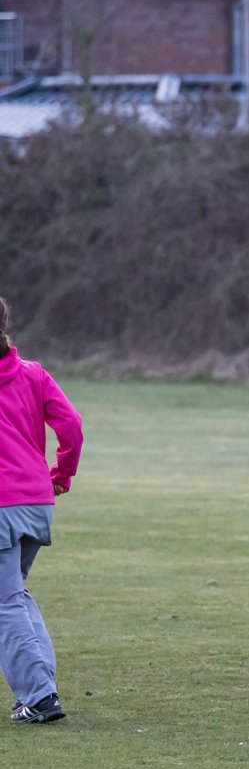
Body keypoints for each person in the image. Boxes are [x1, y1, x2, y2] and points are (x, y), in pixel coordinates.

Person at [0, 296, 83, 723]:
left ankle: (40, 696)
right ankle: (39, 688)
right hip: (36, 501)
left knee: (4, 602)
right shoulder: (33, 374)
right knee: (14, 595)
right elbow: (71, 426)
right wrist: (60, 474)